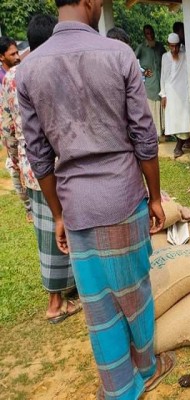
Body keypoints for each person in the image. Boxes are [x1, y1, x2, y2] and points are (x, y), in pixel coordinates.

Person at [17, 0, 175, 398]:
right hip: (123, 198)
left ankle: (119, 388)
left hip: (76, 207)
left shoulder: (29, 69)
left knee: (98, 305)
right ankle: (147, 367)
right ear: (88, 1)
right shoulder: (118, 55)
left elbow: (38, 156)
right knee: (135, 291)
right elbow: (144, 136)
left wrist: (58, 215)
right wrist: (155, 197)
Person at [1, 14, 80, 324]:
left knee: (49, 231)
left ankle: (69, 288)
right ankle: (55, 303)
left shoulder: (10, 77)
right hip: (59, 164)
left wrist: (16, 163)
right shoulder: (54, 69)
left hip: (31, 167)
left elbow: (7, 128)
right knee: (59, 229)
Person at [0, 35, 29, 221]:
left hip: (23, 130)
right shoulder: (4, 78)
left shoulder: (22, 72)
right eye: (12, 54)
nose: (18, 57)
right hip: (11, 130)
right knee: (15, 168)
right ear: (1, 56)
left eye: (17, 52)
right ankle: (28, 208)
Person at [160, 32, 190, 158]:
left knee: (184, 119)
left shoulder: (185, 55)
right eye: (172, 46)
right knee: (174, 120)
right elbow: (163, 76)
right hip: (170, 94)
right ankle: (182, 143)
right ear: (168, 45)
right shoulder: (164, 57)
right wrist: (163, 95)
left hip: (183, 94)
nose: (174, 49)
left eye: (177, 46)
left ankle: (179, 147)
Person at [135, 24, 166, 139]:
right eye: (147, 33)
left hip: (162, 85)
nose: (150, 35)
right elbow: (131, 62)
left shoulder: (160, 46)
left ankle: (163, 134)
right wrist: (142, 73)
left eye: (151, 32)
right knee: (152, 111)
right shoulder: (141, 48)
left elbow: (167, 60)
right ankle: (154, 136)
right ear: (145, 35)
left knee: (163, 111)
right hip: (150, 87)